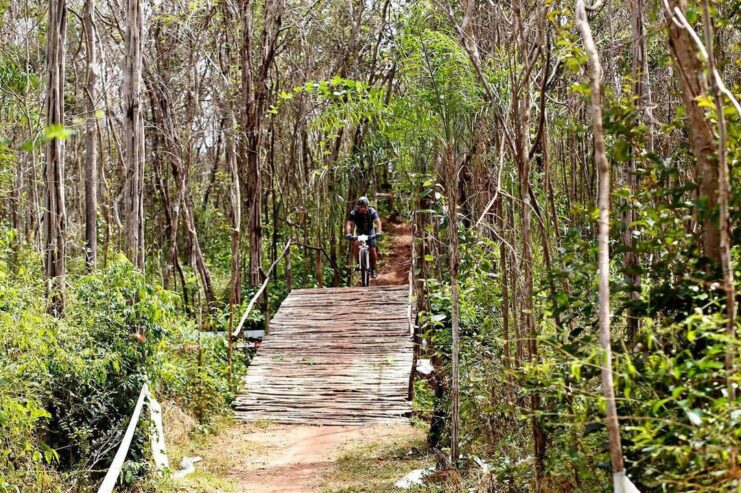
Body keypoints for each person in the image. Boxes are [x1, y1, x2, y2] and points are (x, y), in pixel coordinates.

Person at [345, 196, 382, 278]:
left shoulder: (372, 211)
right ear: (358, 206)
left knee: (372, 249)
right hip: (360, 231)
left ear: (368, 206)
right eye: (361, 206)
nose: (363, 208)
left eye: (364, 206)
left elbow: (378, 222)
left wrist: (378, 232)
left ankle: (373, 269)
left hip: (370, 231)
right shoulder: (354, 212)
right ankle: (358, 263)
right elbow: (349, 223)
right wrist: (348, 233)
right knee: (355, 244)